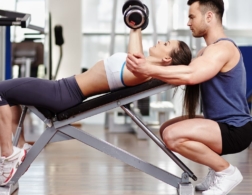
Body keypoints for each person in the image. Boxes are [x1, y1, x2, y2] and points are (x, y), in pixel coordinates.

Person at [0, 25, 192, 186]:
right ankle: (18, 148)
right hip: (64, 90)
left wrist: (135, 27)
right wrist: (136, 24)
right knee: (13, 95)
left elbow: (135, 57)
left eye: (166, 44)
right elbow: (137, 54)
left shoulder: (142, 71)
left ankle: (9, 155)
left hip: (62, 92)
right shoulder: (144, 68)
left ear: (167, 59)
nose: (160, 42)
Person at [126, 0, 252, 195]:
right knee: (166, 128)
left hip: (235, 129)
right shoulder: (206, 52)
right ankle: (215, 170)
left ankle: (226, 171)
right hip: (219, 124)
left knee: (172, 135)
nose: (188, 22)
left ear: (209, 16)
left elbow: (190, 75)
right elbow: (181, 71)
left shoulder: (223, 49)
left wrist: (148, 68)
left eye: (192, 16)